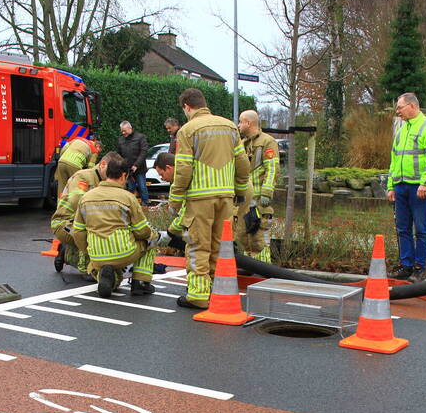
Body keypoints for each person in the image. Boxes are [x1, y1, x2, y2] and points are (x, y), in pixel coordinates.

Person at [170, 87, 251, 309]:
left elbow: (183, 169)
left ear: (187, 107)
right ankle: (217, 289)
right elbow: (243, 163)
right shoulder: (229, 127)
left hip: (199, 199)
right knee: (219, 245)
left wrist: (175, 201)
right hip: (226, 197)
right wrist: (241, 190)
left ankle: (197, 294)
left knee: (198, 245)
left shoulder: (187, 130)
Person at [72, 155, 157, 298]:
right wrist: (153, 235)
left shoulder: (86, 197)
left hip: (96, 254)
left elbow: (78, 231)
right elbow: (142, 231)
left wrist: (88, 251)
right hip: (123, 252)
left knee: (114, 280)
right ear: (124, 175)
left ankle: (108, 277)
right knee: (150, 240)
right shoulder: (127, 197)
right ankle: (140, 283)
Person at [387, 92, 426, 283]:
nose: (397, 112)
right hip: (401, 187)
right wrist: (391, 186)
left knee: (421, 229)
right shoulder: (402, 131)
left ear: (412, 106)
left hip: (420, 188)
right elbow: (394, 160)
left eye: (400, 107)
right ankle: (406, 266)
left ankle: (419, 268)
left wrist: (425, 182)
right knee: (402, 229)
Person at [50, 152, 115, 275]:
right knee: (92, 234)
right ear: (102, 164)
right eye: (111, 171)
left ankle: (66, 252)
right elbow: (78, 205)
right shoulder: (83, 177)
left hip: (78, 223)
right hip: (64, 222)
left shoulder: (104, 181)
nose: (113, 176)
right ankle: (85, 268)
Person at [237, 109, 279, 263]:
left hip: (260, 200)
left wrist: (266, 193)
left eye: (241, 121)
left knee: (259, 237)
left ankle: (263, 269)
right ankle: (252, 269)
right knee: (244, 236)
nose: (239, 125)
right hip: (246, 200)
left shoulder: (267, 142)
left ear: (248, 123)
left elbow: (272, 168)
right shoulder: (242, 143)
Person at [116, 121, 149, 206]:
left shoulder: (140, 137)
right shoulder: (121, 139)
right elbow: (119, 154)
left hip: (139, 168)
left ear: (130, 128)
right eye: (121, 131)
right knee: (130, 188)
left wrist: (136, 165)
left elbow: (143, 152)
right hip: (127, 169)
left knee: (142, 187)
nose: (123, 133)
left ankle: (145, 204)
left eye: (124, 130)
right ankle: (131, 204)